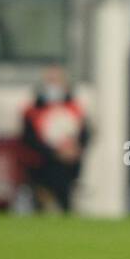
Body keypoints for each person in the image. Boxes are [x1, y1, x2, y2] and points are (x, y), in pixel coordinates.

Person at [21, 66, 89, 212]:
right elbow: (29, 139)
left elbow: (84, 135)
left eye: (57, 81)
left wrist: (73, 151)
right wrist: (54, 153)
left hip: (68, 168)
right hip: (41, 166)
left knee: (65, 201)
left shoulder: (74, 108)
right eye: (50, 81)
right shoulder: (32, 111)